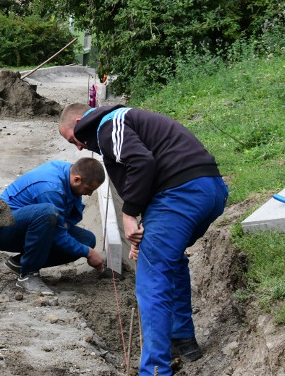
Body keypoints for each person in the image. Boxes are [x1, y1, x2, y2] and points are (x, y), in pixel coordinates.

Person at [59, 103, 229, 376]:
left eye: (72, 138)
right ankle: (183, 340)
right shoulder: (133, 121)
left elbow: (142, 162)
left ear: (80, 121)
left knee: (152, 282)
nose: (79, 148)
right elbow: (152, 171)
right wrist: (143, 233)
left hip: (181, 195)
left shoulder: (106, 125)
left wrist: (129, 214)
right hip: (210, 192)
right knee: (170, 262)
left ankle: (155, 369)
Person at [0, 158, 106, 296]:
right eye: (88, 189)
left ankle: (20, 262)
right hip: (1, 230)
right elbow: (58, 235)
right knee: (48, 213)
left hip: (28, 226)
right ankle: (27, 275)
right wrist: (88, 253)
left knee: (86, 240)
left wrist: (66, 224)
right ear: (77, 179)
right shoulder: (51, 188)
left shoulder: (69, 173)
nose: (89, 194)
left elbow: (73, 213)